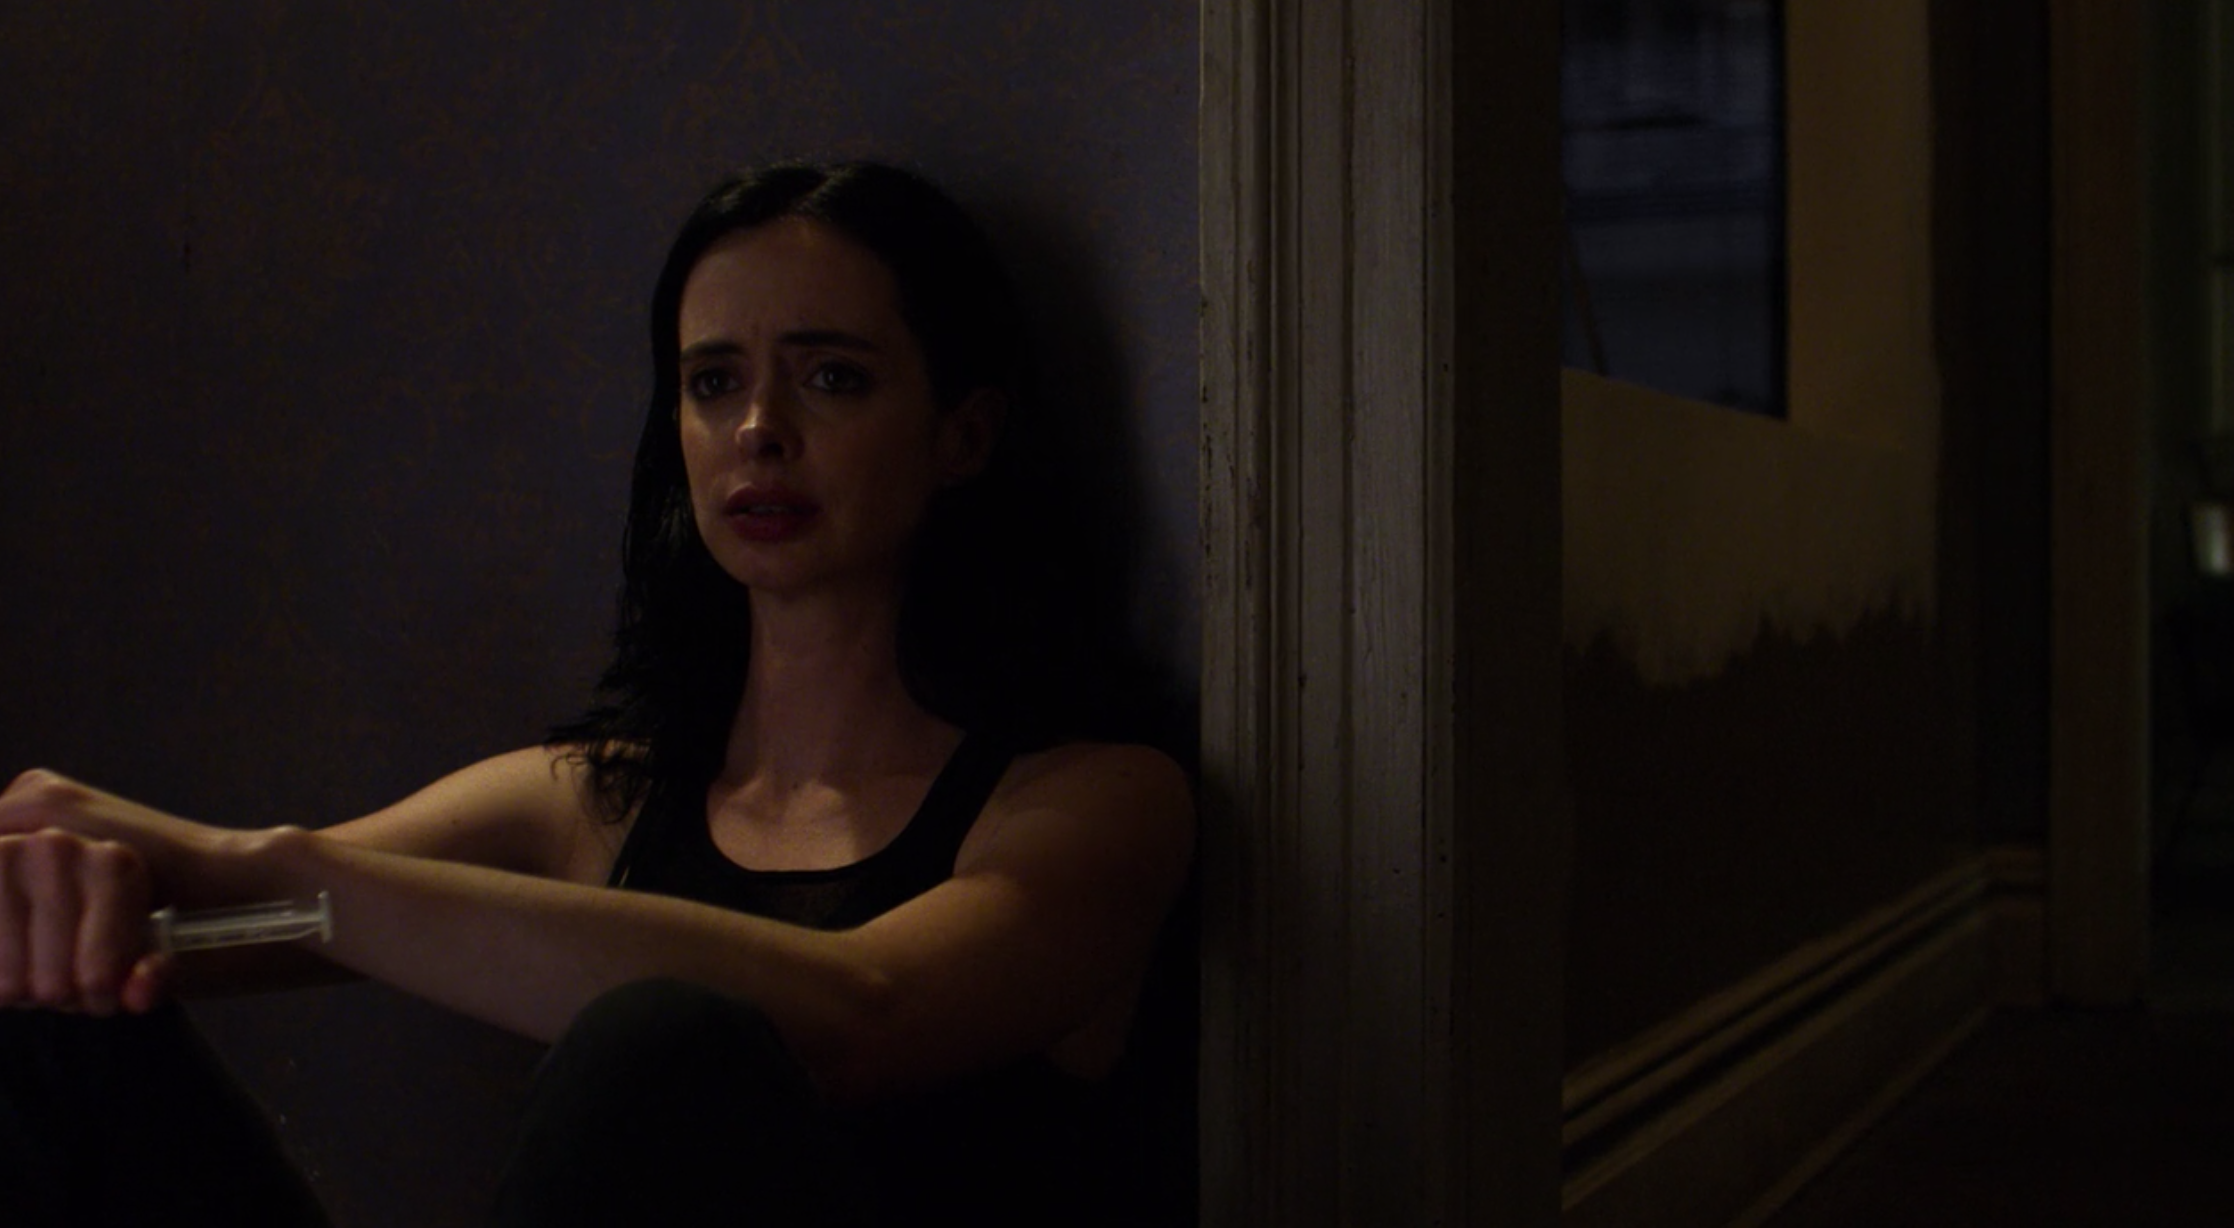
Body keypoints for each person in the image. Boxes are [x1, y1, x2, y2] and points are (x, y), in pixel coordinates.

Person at [0, 161, 1196, 1226]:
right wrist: (66, 871)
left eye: (830, 377)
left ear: (962, 435)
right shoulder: (591, 801)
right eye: (713, 382)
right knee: (38, 1009)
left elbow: (861, 1011)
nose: (758, 428)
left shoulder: (1091, 803)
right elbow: (205, 914)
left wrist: (275, 864)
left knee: (659, 1042)